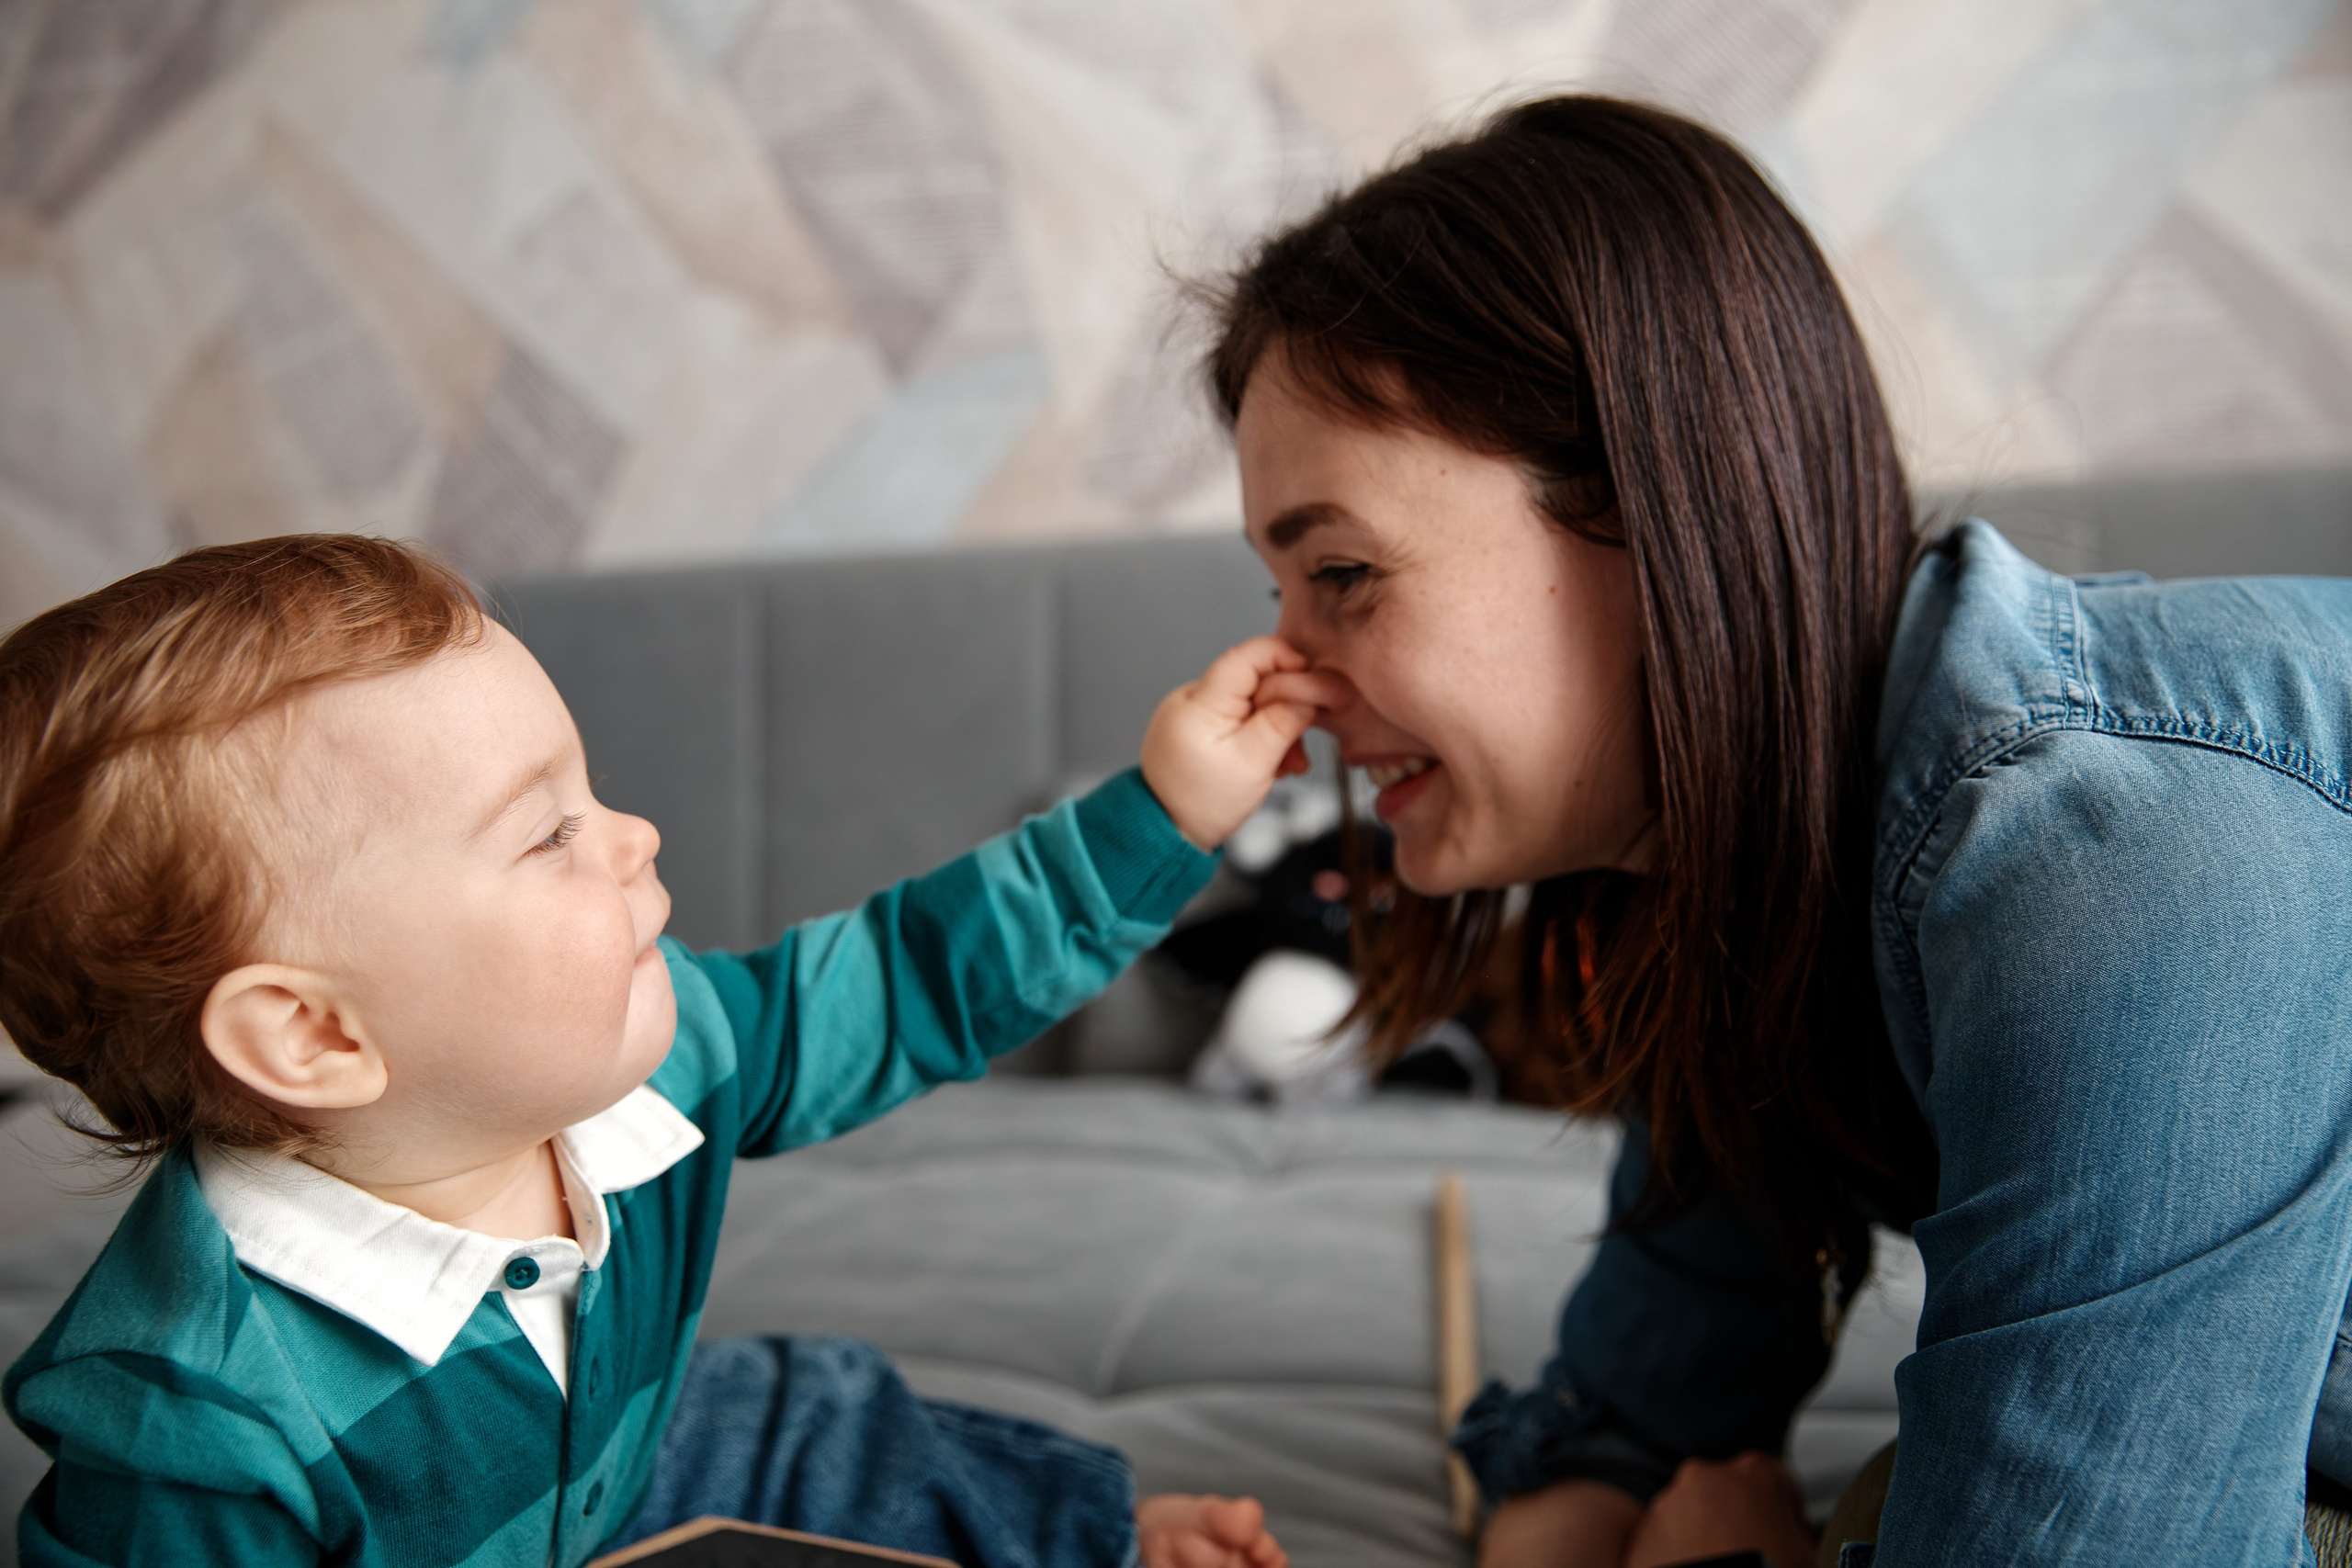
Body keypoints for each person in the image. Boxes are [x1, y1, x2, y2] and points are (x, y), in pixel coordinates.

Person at [1204, 94, 2352, 1567]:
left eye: (1346, 571)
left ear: (1649, 508)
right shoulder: (1726, 870)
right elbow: (1631, 1419)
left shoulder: (2124, 867)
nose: (1285, 687)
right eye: (1278, 593)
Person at [0, 536, 1327, 1568]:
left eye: (593, 791)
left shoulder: (649, 1062)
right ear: (317, 1032)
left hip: (631, 1482)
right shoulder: (196, 1416)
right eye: (548, 834)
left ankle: (1077, 1539)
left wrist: (1162, 811)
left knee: (815, 1415)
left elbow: (913, 976)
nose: (632, 833)